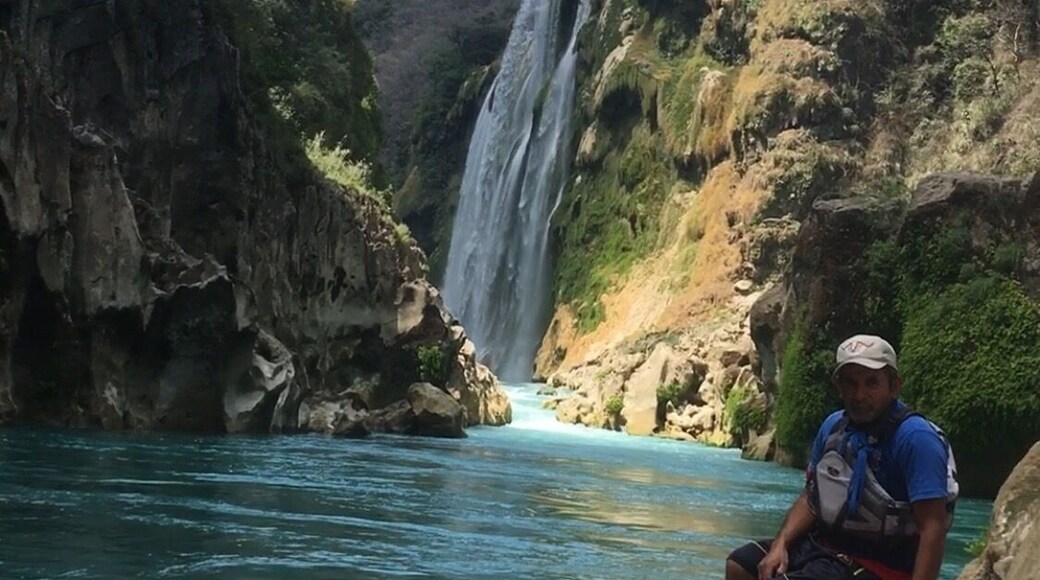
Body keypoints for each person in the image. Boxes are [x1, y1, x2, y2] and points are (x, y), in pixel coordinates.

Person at [725, 334, 958, 580]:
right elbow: (813, 497)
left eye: (871, 383)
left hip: (882, 566)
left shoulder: (916, 438)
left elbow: (933, 527)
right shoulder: (834, 426)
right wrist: (780, 544)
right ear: (839, 385)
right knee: (740, 565)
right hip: (828, 548)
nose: (859, 395)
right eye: (850, 383)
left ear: (894, 385)